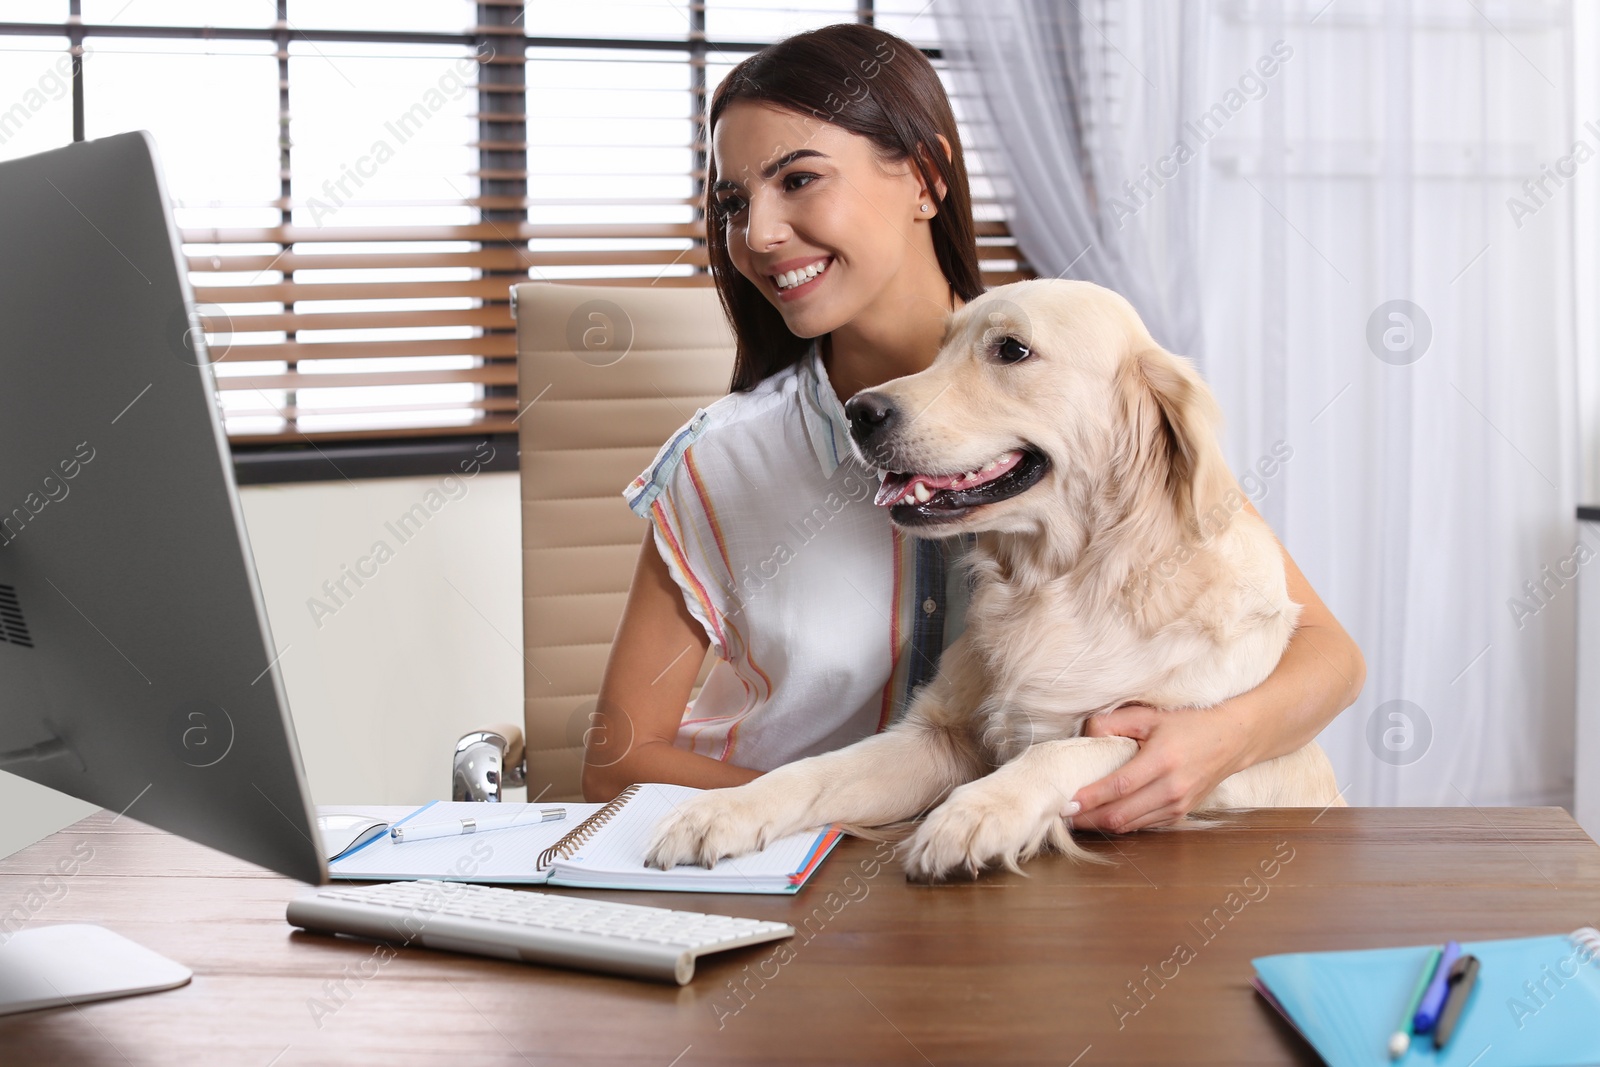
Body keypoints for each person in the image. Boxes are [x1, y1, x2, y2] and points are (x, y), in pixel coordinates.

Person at [582, 22, 1366, 836]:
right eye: (734, 203)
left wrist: (1213, 743)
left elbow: (1326, 654)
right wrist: (817, 817)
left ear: (924, 177)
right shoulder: (720, 461)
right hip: (789, 881)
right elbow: (615, 759)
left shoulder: (1085, 384)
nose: (759, 234)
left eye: (802, 179)